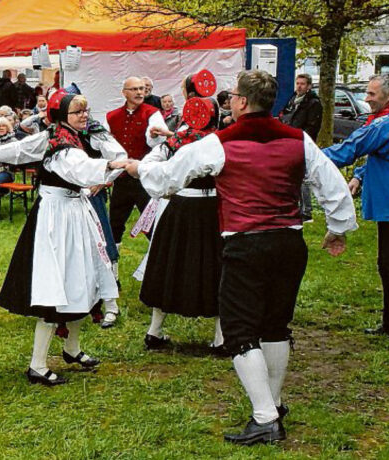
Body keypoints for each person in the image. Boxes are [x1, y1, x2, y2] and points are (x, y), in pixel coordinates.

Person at [127, 70, 357, 445]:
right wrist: (337, 227)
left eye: (233, 95)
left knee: (240, 329)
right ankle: (274, 403)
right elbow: (331, 185)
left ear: (244, 102)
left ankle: (265, 417)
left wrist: (140, 169)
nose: (229, 100)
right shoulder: (298, 140)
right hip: (288, 243)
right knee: (275, 324)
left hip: (247, 244)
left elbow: (168, 178)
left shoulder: (221, 142)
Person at [0, 90, 125, 385]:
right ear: (62, 116)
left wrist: (110, 173)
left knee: (82, 279)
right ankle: (37, 365)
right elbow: (26, 151)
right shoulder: (58, 144)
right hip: (55, 217)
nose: (83, 116)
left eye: (85, 110)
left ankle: (72, 348)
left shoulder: (81, 135)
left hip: (76, 213)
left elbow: (105, 160)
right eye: (77, 112)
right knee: (56, 286)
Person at [323, 73, 389, 344]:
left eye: (371, 94)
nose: (366, 99)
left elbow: (351, 148)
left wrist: (310, 157)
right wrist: (360, 175)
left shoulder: (387, 124)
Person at [137, 94, 225, 352]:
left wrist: (165, 184)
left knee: (169, 263)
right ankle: (220, 338)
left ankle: (155, 331)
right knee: (215, 266)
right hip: (209, 209)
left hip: (181, 207)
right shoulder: (218, 142)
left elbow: (149, 164)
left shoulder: (175, 140)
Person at [105, 76, 169, 281]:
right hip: (121, 179)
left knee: (151, 226)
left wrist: (156, 135)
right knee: (114, 225)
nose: (140, 92)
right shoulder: (112, 116)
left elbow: (156, 142)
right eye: (134, 89)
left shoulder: (153, 114)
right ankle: (112, 274)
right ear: (124, 92)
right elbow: (105, 147)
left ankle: (156, 273)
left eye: (142, 88)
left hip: (144, 179)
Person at [279, 73, 323, 222]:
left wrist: (301, 140)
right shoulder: (292, 100)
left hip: (302, 142)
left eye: (302, 84)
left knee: (304, 177)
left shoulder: (313, 103)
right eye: (297, 83)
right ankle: (294, 207)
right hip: (289, 141)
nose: (299, 86)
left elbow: (312, 126)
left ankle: (306, 211)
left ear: (309, 86)